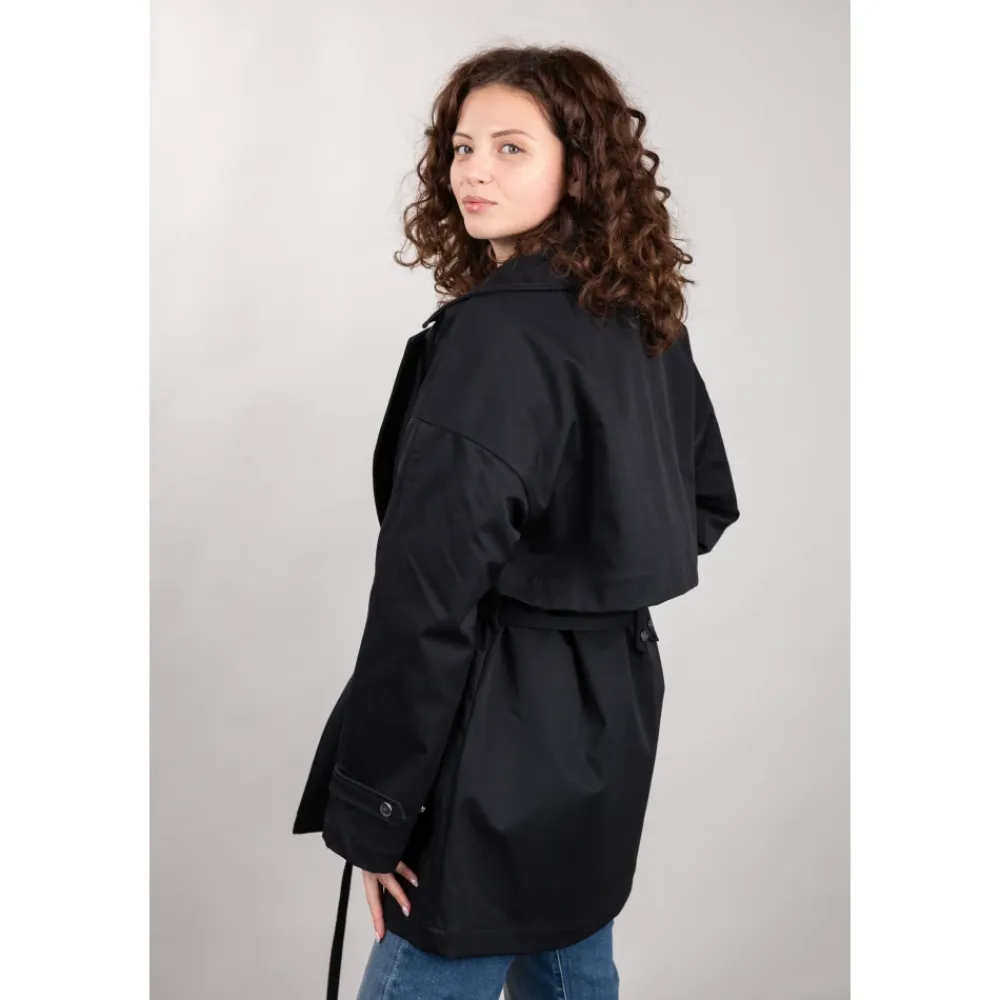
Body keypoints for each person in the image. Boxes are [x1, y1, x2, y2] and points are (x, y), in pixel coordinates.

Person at [292, 44, 740, 1000]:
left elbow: (427, 599)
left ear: (579, 164)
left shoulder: (492, 337)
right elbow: (701, 504)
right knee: (574, 964)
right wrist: (583, 582)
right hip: (609, 716)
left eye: (510, 147)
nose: (474, 172)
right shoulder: (644, 319)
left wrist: (375, 813)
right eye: (463, 147)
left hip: (491, 731)